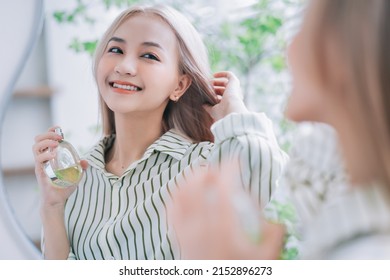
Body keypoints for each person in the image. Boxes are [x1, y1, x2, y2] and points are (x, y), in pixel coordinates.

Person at [32, 4, 287, 260]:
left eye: (149, 56)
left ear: (179, 85)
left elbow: (261, 165)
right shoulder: (77, 180)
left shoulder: (204, 166)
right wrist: (53, 207)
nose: (125, 66)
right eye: (116, 50)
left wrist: (234, 107)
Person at [172, 0, 390, 259]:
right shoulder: (332, 192)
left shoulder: (367, 252)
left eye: (301, 28)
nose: (290, 48)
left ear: (340, 52)